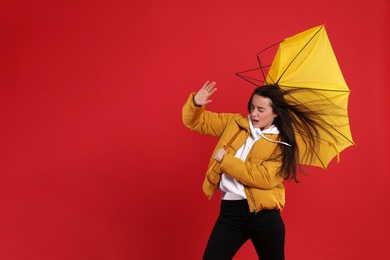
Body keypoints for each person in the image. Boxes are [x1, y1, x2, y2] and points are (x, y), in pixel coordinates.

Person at [182, 81, 325, 260]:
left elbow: (264, 178)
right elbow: (195, 122)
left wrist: (226, 161)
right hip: (230, 214)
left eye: (261, 109)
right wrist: (196, 103)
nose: (254, 113)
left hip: (264, 217)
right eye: (252, 107)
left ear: (275, 113)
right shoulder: (234, 124)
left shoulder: (282, 144)